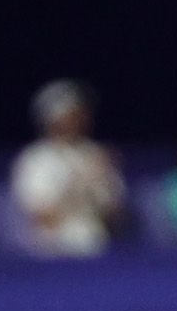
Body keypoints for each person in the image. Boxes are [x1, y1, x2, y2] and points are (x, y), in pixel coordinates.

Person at [11, 80, 124, 256]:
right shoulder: (35, 159)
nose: (79, 119)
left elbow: (113, 216)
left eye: (81, 112)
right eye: (72, 113)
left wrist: (102, 180)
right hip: (54, 256)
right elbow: (45, 217)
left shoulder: (94, 153)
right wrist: (84, 181)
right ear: (51, 117)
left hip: (99, 253)